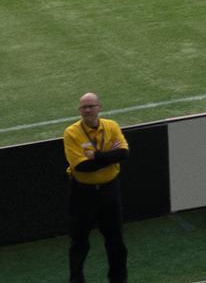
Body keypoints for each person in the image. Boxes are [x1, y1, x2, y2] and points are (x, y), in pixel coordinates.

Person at [64, 92, 129, 283]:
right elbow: (81, 166)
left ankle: (119, 280)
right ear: (80, 111)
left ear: (99, 107)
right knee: (79, 242)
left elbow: (124, 153)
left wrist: (97, 155)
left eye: (91, 106)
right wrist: (110, 155)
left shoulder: (111, 126)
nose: (87, 110)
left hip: (110, 191)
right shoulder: (71, 132)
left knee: (116, 240)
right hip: (82, 193)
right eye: (84, 107)